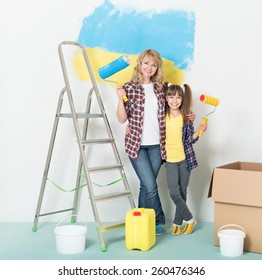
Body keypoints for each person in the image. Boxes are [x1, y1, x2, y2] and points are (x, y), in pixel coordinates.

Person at [116, 49, 195, 235]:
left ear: (157, 68)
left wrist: (189, 115)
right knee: (151, 185)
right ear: (139, 64)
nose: (149, 67)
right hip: (136, 145)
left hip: (159, 147)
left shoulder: (162, 88)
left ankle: (141, 222)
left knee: (146, 185)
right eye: (146, 63)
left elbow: (176, 104)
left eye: (153, 64)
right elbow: (121, 119)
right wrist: (120, 99)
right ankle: (159, 220)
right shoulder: (128, 87)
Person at [163, 82, 207, 236]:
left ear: (182, 99)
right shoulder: (162, 115)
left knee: (182, 192)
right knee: (174, 192)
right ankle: (190, 219)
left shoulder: (186, 117)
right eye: (171, 97)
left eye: (178, 97)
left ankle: (177, 222)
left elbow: (190, 139)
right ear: (166, 98)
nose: (174, 101)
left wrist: (199, 131)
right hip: (170, 160)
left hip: (185, 159)